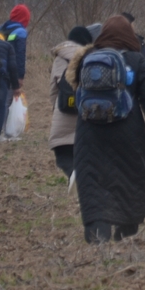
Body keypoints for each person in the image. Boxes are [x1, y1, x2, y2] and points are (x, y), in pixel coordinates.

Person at [67, 16, 145, 243]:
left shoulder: (86, 57)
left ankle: (97, 232)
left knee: (92, 179)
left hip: (89, 132)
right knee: (129, 177)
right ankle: (126, 230)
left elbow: (75, 91)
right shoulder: (136, 60)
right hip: (128, 130)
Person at [48, 25, 92, 176]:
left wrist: (56, 109)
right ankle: (84, 177)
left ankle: (73, 174)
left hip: (64, 110)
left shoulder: (60, 57)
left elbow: (54, 90)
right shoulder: (92, 56)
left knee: (63, 153)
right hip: (88, 112)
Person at [0, 5, 30, 138]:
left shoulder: (0, 29)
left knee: (0, 102)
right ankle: (0, 133)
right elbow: (20, 56)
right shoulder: (20, 32)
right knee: (6, 101)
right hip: (10, 72)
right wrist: (20, 76)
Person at [0, 31, 21, 141]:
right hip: (2, 79)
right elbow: (12, 67)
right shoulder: (8, 46)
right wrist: (16, 86)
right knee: (1, 105)